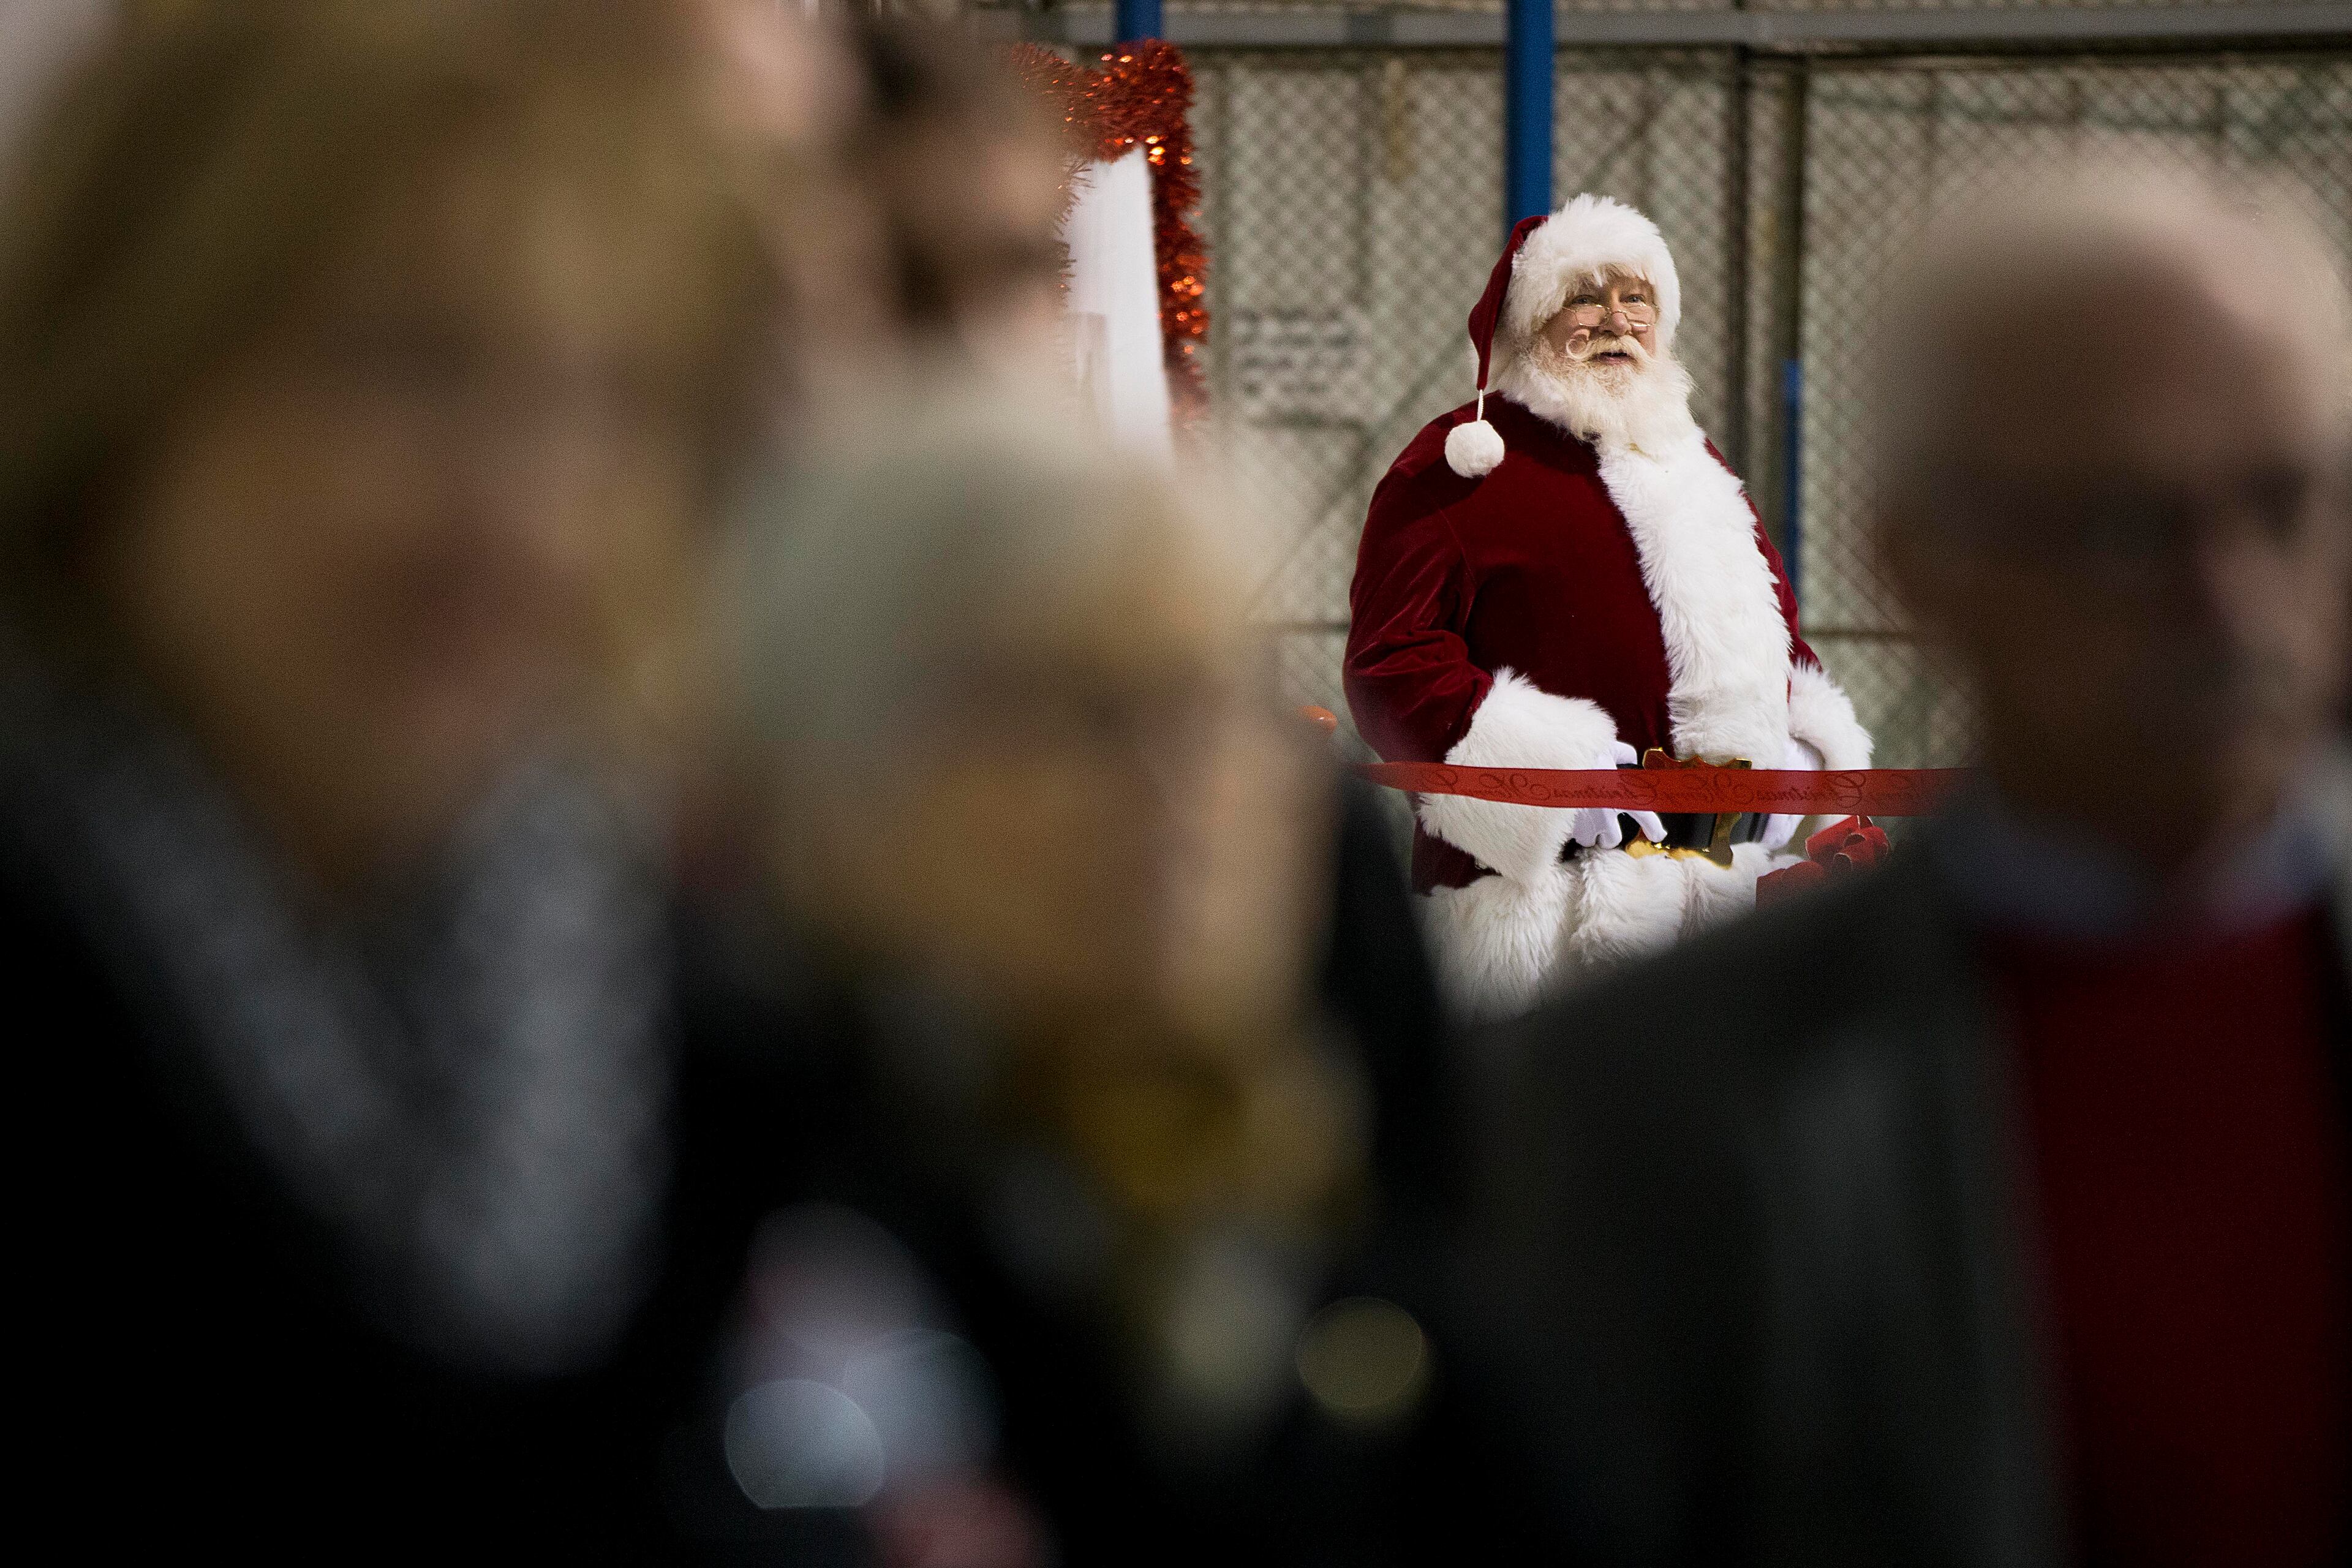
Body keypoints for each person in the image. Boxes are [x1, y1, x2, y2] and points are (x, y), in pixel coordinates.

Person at [0, 3, 874, 1553]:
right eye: (404, 366)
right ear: (126, 359)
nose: (524, 518)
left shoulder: (683, 1013)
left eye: (609, 401)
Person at [1440, 166, 2352, 1566]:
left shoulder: (1699, 485)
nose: (2227, 594)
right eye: (2121, 523)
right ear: (1919, 557)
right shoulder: (1642, 1096)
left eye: (2285, 500)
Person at [721, 388, 1453, 1566]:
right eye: (1075, 709)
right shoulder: (743, 1234)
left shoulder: (1359, 1187)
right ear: (835, 788)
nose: (1174, 786)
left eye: (1212, 703)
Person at [1344, 194, 1871, 1020]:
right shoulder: (1455, 467)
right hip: (1535, 914)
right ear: (1530, 322)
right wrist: (1559, 785)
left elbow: (1780, 639)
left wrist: (1796, 763)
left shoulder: (1697, 468)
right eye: (1585, 297)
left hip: (1718, 904)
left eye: (1637, 298)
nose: (1615, 319)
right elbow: (1391, 666)